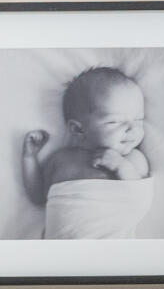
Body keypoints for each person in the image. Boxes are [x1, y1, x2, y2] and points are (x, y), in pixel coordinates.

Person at [23, 65, 152, 240]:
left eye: (138, 119)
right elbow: (37, 195)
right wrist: (29, 158)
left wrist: (120, 166)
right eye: (115, 122)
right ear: (78, 130)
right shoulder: (61, 160)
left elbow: (140, 201)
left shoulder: (132, 160)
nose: (132, 129)